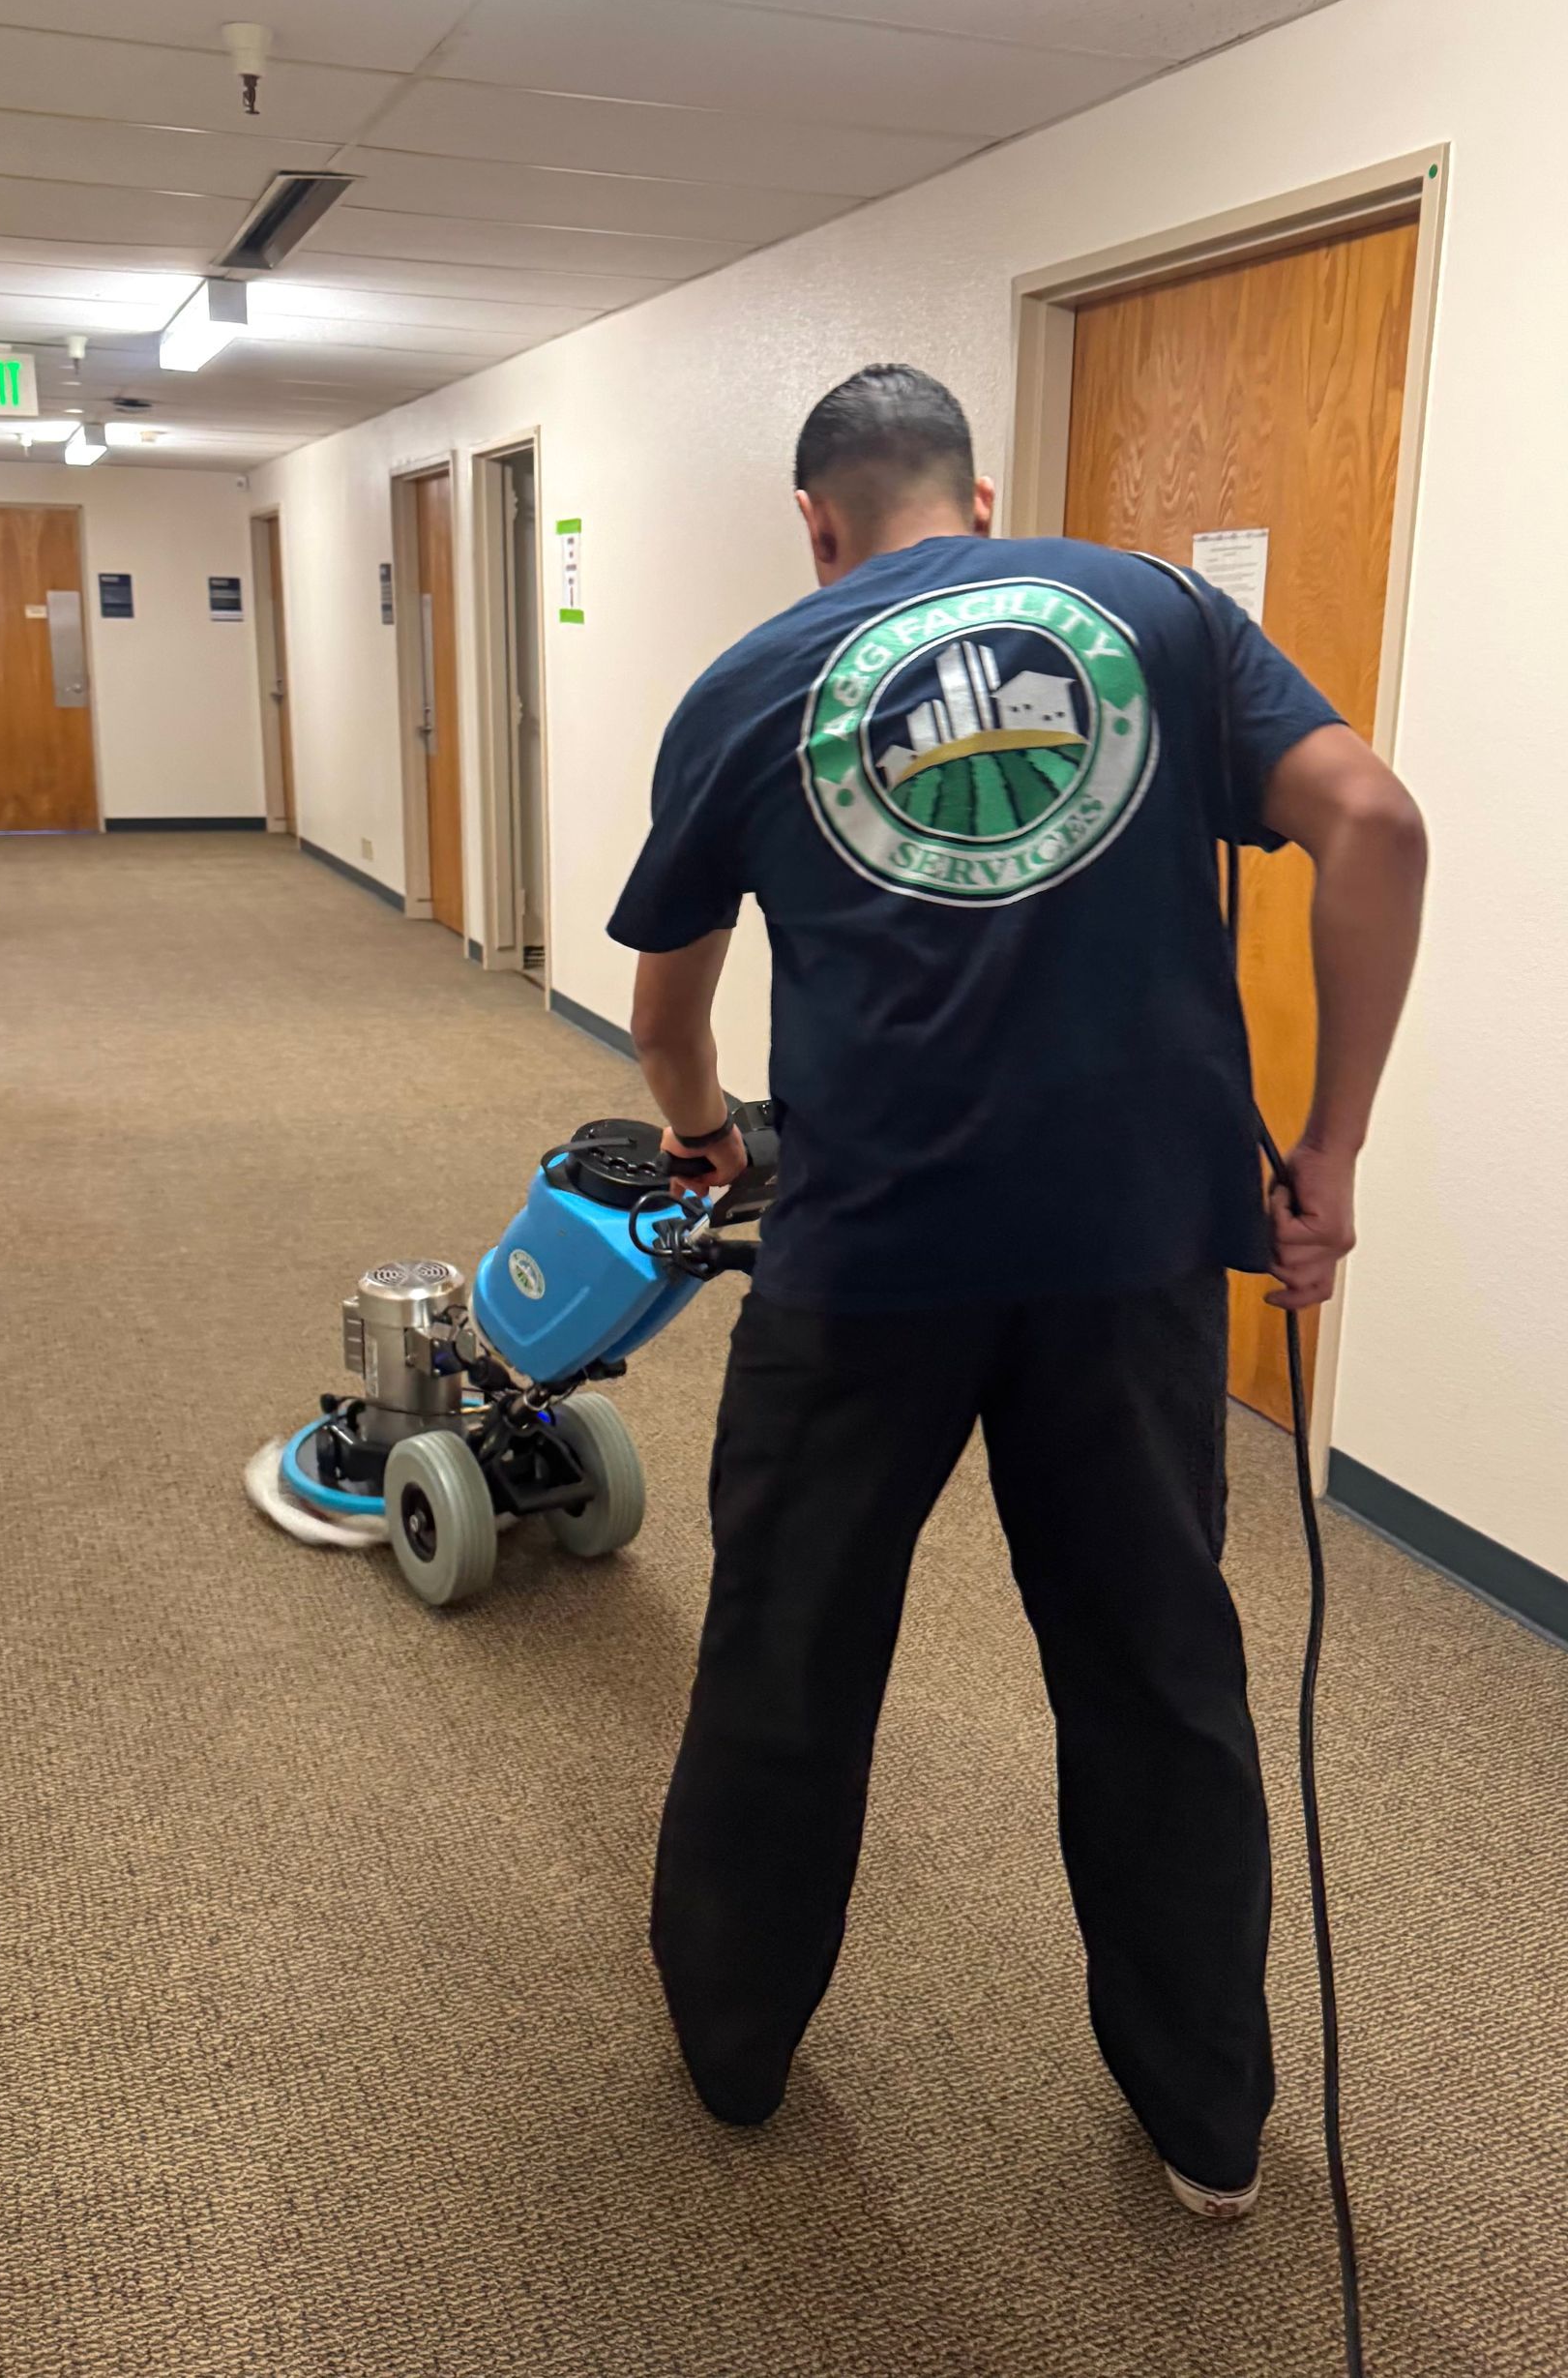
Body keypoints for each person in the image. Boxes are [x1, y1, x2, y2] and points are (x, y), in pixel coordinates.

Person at [606, 365, 1426, 2218]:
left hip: (867, 1261)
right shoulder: (1153, 612)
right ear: (980, 503)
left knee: (788, 1659)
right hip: (1133, 1256)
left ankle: (736, 2055)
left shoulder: (750, 684)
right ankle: (1209, 2129)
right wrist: (1333, 1152)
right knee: (1155, 1675)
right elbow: (1374, 823)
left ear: (815, 524)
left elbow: (670, 1016)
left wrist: (707, 1136)